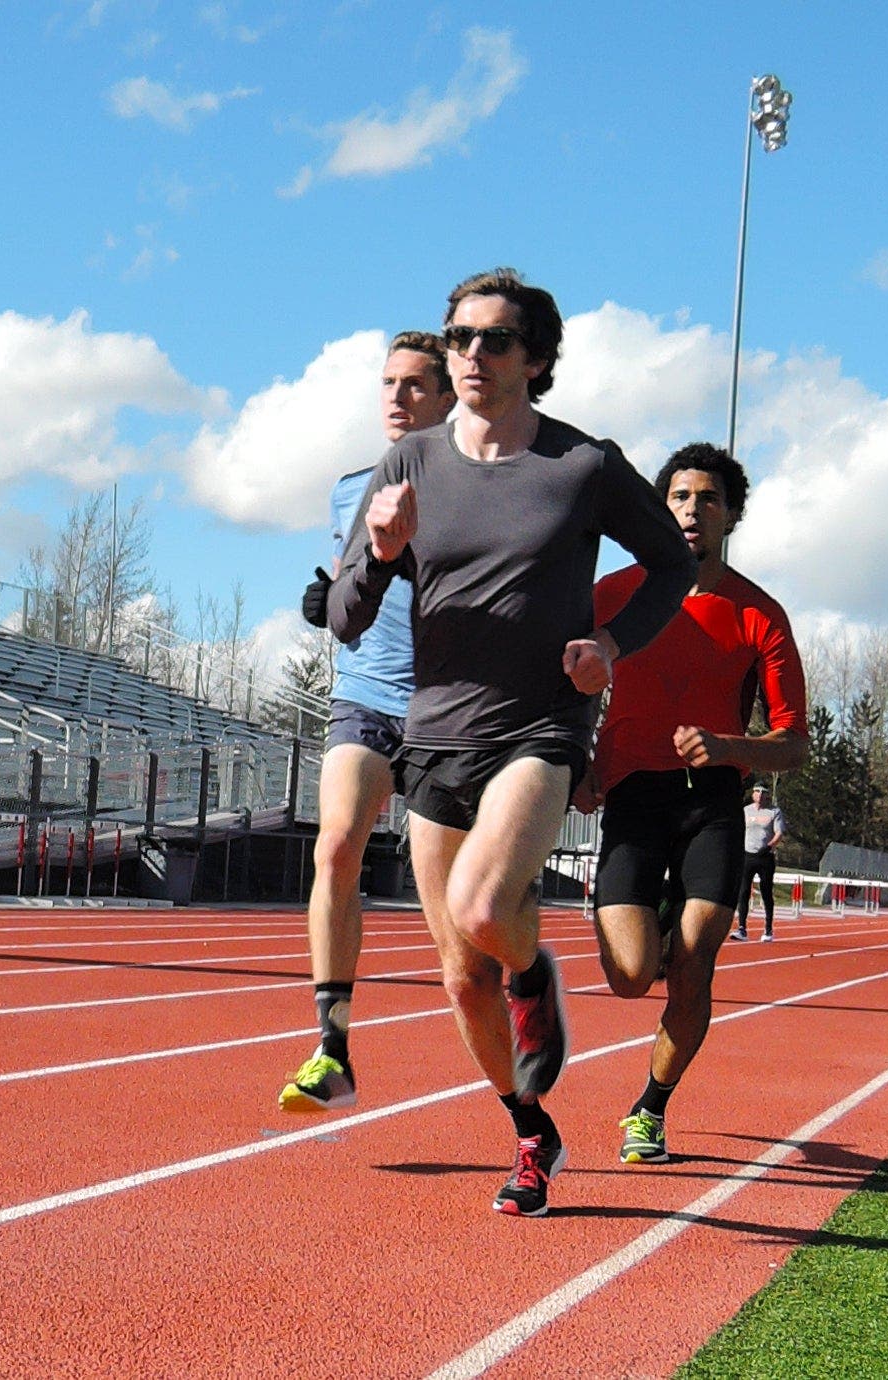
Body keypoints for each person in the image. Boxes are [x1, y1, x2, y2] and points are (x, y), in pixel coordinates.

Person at [327, 269, 694, 1216]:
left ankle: (534, 973)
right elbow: (343, 619)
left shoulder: (581, 465)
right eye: (459, 338)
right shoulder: (407, 467)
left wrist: (610, 645)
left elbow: (673, 564)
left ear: (536, 358)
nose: (471, 355)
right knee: (458, 976)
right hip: (436, 733)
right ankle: (532, 1133)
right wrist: (377, 544)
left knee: (489, 909)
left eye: (493, 340)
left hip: (542, 724)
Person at [582, 442, 808, 1167]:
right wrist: (582, 764)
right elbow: (563, 685)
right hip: (631, 799)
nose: (691, 510)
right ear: (660, 507)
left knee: (696, 962)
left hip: (710, 801)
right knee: (626, 977)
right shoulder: (613, 597)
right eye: (678, 497)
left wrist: (731, 745)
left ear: (731, 515)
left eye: (707, 499)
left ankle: (649, 1109)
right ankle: (643, 933)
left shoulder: (759, 615)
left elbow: (794, 743)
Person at [279, 333, 457, 1114]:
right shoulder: (349, 488)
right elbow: (350, 587)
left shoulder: (475, 489)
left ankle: (518, 1000)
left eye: (416, 385)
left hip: (450, 711)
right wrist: (326, 601)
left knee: (451, 907)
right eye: (388, 383)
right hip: (365, 697)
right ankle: (332, 1042)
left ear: (452, 397)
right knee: (338, 843)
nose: (397, 398)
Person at [733, 785, 784, 941]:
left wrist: (769, 846)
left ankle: (768, 930)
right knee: (743, 892)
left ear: (767, 795)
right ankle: (742, 928)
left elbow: (779, 833)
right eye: (757, 791)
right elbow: (738, 830)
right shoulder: (746, 810)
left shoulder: (774, 812)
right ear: (753, 793)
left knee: (766, 892)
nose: (760, 795)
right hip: (748, 856)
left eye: (763, 792)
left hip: (765, 857)